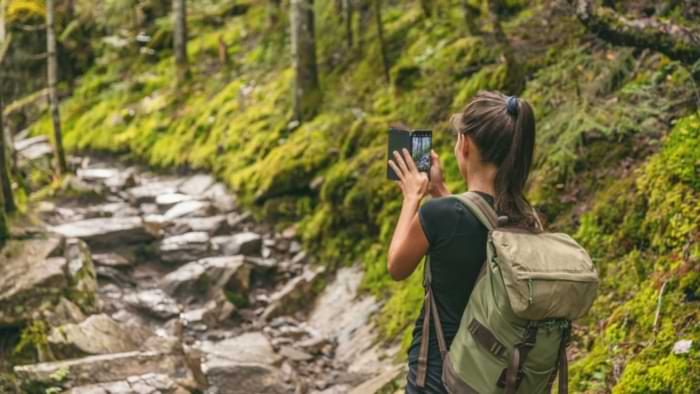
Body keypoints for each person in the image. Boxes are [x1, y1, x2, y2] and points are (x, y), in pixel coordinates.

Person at [387, 90, 539, 393]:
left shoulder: (439, 215)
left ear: (464, 145)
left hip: (438, 380)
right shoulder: (527, 219)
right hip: (495, 380)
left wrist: (412, 197)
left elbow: (397, 266)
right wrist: (440, 189)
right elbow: (474, 227)